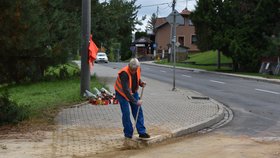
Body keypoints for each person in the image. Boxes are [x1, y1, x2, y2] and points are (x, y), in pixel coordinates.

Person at [114, 58, 150, 140]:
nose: (133, 71)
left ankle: (142, 132)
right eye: (132, 70)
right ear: (129, 66)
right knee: (126, 113)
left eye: (135, 70)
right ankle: (128, 134)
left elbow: (136, 78)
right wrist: (136, 101)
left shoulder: (138, 69)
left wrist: (140, 83)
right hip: (122, 94)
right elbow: (126, 91)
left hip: (133, 92)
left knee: (138, 111)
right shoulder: (124, 73)